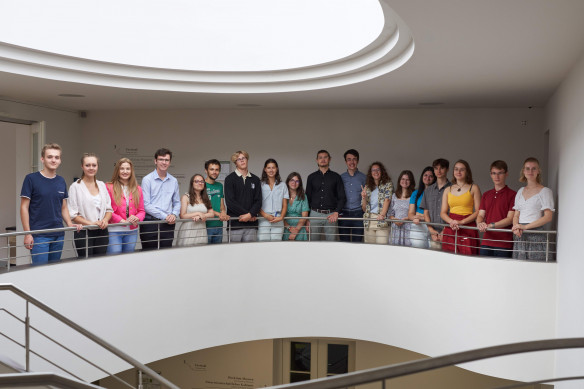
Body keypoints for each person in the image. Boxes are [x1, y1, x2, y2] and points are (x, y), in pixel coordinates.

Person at [20, 143, 81, 265]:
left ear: (60, 160)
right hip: (39, 235)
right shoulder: (31, 179)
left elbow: (63, 206)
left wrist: (69, 223)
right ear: (42, 159)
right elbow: (24, 207)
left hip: (58, 234)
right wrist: (27, 233)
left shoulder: (61, 181)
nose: (53, 160)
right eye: (50, 157)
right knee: (40, 272)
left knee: (53, 271)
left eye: (56, 157)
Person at [68, 153, 113, 258]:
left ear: (97, 166)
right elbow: (73, 215)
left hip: (102, 231)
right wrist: (91, 223)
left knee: (100, 264)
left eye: (94, 165)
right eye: (87, 165)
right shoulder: (75, 187)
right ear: (82, 166)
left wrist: (105, 221)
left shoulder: (102, 185)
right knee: (86, 265)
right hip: (84, 232)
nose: (91, 168)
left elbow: (109, 209)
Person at [511, 157, 554, 261]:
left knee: (536, 270)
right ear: (523, 171)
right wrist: (516, 227)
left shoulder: (545, 191)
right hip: (520, 235)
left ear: (538, 171)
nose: (530, 171)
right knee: (519, 269)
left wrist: (525, 227)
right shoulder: (520, 191)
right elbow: (516, 215)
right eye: (528, 168)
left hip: (536, 236)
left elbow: (548, 217)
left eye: (534, 168)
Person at [140, 148, 181, 250]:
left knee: (166, 255)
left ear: (170, 162)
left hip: (168, 224)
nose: (164, 162)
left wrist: (174, 214)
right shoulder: (147, 180)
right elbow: (146, 204)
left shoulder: (174, 181)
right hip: (150, 223)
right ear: (155, 161)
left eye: (166, 160)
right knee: (149, 255)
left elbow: (177, 202)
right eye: (161, 159)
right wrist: (165, 216)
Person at [440, 160, 481, 255]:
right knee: (449, 257)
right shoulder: (447, 189)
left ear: (467, 172)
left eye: (462, 169)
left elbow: (478, 211)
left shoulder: (474, 187)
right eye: (456, 169)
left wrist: (461, 222)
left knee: (468, 257)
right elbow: (443, 212)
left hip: (467, 225)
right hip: (451, 226)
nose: (458, 172)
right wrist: (452, 222)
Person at [476, 160, 516, 257]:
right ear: (490, 174)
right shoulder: (486, 194)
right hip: (486, 242)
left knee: (502, 272)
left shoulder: (513, 195)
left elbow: (510, 219)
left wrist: (491, 225)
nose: (496, 176)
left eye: (500, 173)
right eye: (494, 173)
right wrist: (479, 223)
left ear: (506, 174)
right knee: (483, 270)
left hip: (504, 243)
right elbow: (481, 215)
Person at [106, 158, 145, 254]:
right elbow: (107, 209)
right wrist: (120, 220)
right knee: (114, 256)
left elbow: (142, 211)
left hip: (132, 230)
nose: (125, 171)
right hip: (114, 230)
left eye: (128, 169)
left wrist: (137, 218)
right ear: (117, 171)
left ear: (131, 171)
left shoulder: (138, 189)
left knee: (128, 259)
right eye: (122, 169)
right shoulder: (109, 187)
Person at [306, 150, 346, 241]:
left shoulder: (336, 177)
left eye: (325, 157)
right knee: (313, 242)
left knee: (331, 243)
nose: (323, 159)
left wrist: (336, 212)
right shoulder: (311, 177)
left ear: (329, 159)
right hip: (314, 214)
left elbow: (342, 197)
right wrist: (307, 218)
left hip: (331, 214)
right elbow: (307, 198)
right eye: (320, 157)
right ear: (317, 160)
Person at [224, 150, 262, 242]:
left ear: (247, 159)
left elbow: (258, 201)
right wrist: (249, 215)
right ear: (235, 163)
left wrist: (249, 215)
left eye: (243, 158)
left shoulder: (256, 179)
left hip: (252, 226)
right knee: (234, 254)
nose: (242, 160)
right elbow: (230, 202)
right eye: (238, 159)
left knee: (250, 254)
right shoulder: (229, 179)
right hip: (235, 225)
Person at [177, 174, 214, 246]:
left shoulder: (206, 198)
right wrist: (198, 213)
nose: (200, 183)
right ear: (192, 184)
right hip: (188, 230)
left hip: (201, 230)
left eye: (202, 181)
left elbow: (211, 214)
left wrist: (200, 216)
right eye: (196, 181)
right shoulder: (185, 197)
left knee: (200, 254)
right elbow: (182, 216)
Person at [421, 158, 451, 249]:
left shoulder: (453, 189)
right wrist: (431, 230)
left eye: (441, 168)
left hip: (449, 233)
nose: (438, 171)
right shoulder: (428, 190)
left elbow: (455, 212)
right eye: (436, 168)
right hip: (433, 234)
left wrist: (445, 230)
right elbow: (426, 213)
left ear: (447, 169)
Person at [361, 162, 392, 244]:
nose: (375, 172)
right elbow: (364, 209)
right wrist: (363, 198)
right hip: (369, 221)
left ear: (382, 171)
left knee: (382, 248)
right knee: (370, 249)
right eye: (373, 170)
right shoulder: (367, 187)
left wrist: (382, 215)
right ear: (370, 173)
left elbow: (387, 199)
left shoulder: (387, 184)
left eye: (378, 169)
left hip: (381, 220)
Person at [339, 149, 367, 242]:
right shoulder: (340, 178)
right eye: (349, 159)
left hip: (358, 214)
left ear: (358, 161)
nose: (352, 162)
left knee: (357, 243)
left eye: (354, 159)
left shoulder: (364, 178)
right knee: (344, 243)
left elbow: (367, 196)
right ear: (345, 161)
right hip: (343, 214)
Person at [259, 159, 289, 241]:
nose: (271, 170)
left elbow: (285, 205)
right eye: (269, 168)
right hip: (263, 218)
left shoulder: (283, 185)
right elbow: (256, 203)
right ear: (265, 169)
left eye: (273, 168)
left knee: (276, 244)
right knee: (263, 243)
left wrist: (281, 217)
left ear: (277, 169)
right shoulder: (260, 184)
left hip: (278, 218)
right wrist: (265, 215)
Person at [408, 167, 435, 249]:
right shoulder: (415, 193)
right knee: (418, 252)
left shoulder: (437, 193)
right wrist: (415, 218)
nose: (427, 178)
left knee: (435, 252)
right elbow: (410, 214)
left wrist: (421, 217)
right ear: (422, 177)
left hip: (433, 225)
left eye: (431, 176)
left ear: (434, 178)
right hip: (418, 225)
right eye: (425, 175)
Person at [205, 159, 229, 244]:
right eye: (211, 169)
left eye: (217, 170)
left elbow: (222, 204)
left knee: (217, 253)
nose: (214, 172)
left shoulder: (219, 186)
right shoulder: (201, 185)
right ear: (206, 171)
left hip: (219, 225)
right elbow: (202, 207)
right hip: (206, 226)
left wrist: (223, 212)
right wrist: (219, 214)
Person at [389, 170, 415, 246]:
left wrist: (406, 219)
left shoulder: (413, 195)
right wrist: (395, 220)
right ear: (399, 180)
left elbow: (415, 213)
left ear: (411, 181)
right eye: (403, 179)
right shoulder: (394, 195)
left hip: (408, 228)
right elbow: (390, 214)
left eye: (407, 179)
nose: (405, 181)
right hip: (395, 229)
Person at [283, 173, 310, 241]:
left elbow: (304, 216)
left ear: (299, 183)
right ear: (288, 182)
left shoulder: (303, 196)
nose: (294, 183)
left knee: (300, 250)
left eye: (297, 181)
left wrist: (296, 231)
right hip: (285, 228)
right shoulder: (282, 196)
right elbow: (280, 215)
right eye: (292, 180)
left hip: (299, 228)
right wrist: (289, 228)